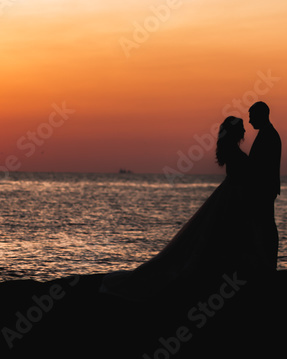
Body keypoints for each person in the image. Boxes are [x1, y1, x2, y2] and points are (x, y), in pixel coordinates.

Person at [100, 116, 259, 300]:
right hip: (232, 197)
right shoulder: (234, 152)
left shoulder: (231, 150)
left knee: (211, 236)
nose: (245, 131)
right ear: (234, 132)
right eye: (242, 128)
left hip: (229, 195)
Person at [247, 101, 281, 269]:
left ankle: (267, 263)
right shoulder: (267, 134)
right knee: (264, 224)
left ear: (261, 115)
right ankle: (265, 261)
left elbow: (262, 166)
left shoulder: (269, 136)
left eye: (252, 116)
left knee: (265, 225)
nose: (250, 121)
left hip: (264, 189)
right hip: (265, 188)